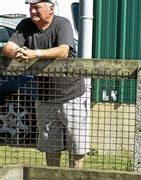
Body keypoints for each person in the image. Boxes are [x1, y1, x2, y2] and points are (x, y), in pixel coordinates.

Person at [2, 0, 88, 168]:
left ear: (51, 8)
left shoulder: (62, 23)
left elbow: (63, 51)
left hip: (71, 95)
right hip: (44, 97)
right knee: (50, 144)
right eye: (31, 7)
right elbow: (7, 47)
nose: (33, 10)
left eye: (37, 7)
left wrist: (35, 53)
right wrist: (18, 52)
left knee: (77, 144)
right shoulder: (25, 25)